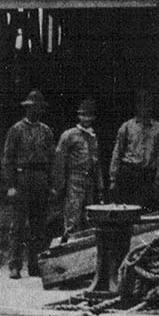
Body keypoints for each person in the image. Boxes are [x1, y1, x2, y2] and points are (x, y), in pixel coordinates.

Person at [1, 89, 55, 278]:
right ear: (26, 108)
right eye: (32, 107)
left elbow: (51, 159)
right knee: (18, 226)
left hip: (40, 179)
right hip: (22, 178)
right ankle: (15, 265)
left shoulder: (46, 131)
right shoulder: (16, 130)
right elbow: (8, 159)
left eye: (38, 108)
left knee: (38, 226)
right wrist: (11, 186)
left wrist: (51, 184)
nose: (35, 111)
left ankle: (35, 264)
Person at [52, 98, 104, 238]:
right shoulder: (69, 135)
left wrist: (100, 186)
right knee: (72, 216)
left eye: (89, 116)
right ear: (78, 116)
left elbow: (96, 163)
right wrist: (60, 184)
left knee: (89, 217)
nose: (86, 119)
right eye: (83, 115)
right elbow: (59, 159)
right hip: (74, 180)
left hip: (89, 181)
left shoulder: (93, 137)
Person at [111, 88, 159, 210]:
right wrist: (113, 179)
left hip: (147, 176)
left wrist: (158, 179)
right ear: (137, 106)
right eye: (142, 104)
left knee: (145, 209)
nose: (145, 108)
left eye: (148, 104)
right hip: (129, 174)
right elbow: (117, 153)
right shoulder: (127, 127)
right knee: (127, 209)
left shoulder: (158, 129)